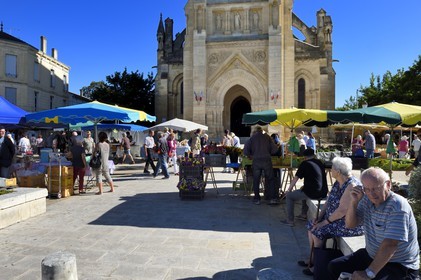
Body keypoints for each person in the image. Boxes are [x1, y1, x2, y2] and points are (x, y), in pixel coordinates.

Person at [328, 167, 420, 280]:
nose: (371, 194)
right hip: (371, 255)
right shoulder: (366, 199)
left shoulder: (397, 206)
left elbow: (390, 244)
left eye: (375, 188)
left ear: (388, 185)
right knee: (335, 267)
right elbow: (350, 225)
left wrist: (369, 273)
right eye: (366, 189)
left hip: (399, 264)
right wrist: (353, 202)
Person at [298, 157, 364, 276]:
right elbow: (328, 202)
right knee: (311, 226)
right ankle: (312, 259)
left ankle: (317, 266)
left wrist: (323, 223)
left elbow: (342, 211)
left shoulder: (351, 185)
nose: (330, 170)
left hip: (348, 223)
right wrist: (319, 217)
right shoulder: (338, 182)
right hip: (334, 219)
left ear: (338, 171)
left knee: (318, 231)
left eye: (332, 168)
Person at [282, 148, 328, 226]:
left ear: (304, 157)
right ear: (314, 155)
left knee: (289, 196)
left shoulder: (304, 163)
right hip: (323, 191)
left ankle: (290, 220)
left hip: (313, 193)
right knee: (303, 189)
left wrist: (288, 190)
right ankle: (303, 214)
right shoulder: (319, 162)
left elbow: (296, 178)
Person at [243, 126, 279, 205]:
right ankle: (272, 198)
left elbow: (245, 151)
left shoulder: (252, 138)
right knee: (270, 179)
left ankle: (257, 199)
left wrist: (250, 155)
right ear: (262, 131)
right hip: (266, 160)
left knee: (256, 180)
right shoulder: (268, 137)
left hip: (256, 161)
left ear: (255, 131)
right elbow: (275, 149)